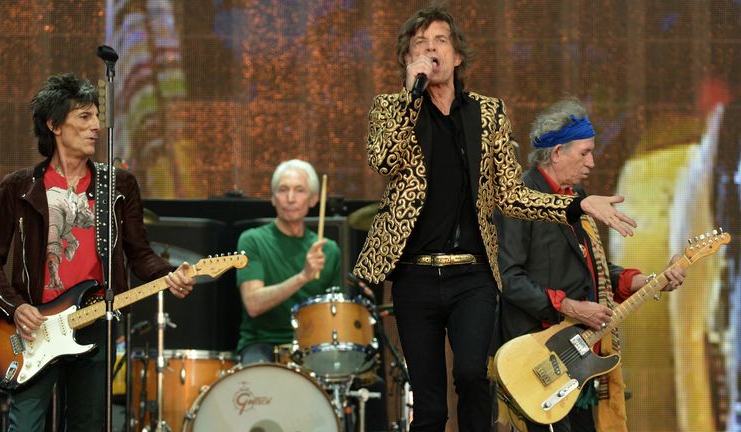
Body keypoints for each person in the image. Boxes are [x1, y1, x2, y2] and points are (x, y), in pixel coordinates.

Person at [351, 6, 638, 432]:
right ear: (407, 59)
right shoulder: (391, 109)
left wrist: (576, 206)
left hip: (473, 275)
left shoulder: (487, 113)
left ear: (458, 55)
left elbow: (510, 194)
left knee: (471, 376)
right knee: (429, 406)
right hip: (415, 274)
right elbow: (384, 159)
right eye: (419, 43)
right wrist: (412, 96)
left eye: (440, 41)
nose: (430, 49)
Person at [0, 73, 196, 431]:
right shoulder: (19, 187)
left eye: (96, 116)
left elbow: (139, 253)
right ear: (54, 124)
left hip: (94, 324)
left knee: (88, 424)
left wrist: (166, 274)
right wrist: (17, 308)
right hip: (35, 331)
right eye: (84, 116)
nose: (96, 126)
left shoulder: (118, 185)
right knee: (26, 425)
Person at [494, 97, 686, 431]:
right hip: (536, 357)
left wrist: (649, 281)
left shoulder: (575, 194)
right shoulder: (519, 197)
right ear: (557, 153)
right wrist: (569, 306)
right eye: (585, 152)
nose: (592, 162)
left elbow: (590, 268)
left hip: (577, 357)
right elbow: (508, 278)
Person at [235, 159, 342, 363]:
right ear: (273, 198)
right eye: (283, 190)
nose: (290, 198)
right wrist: (304, 276)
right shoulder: (252, 240)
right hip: (262, 345)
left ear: (313, 199)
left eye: (299, 190)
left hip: (312, 346)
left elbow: (334, 313)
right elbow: (253, 304)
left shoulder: (328, 250)